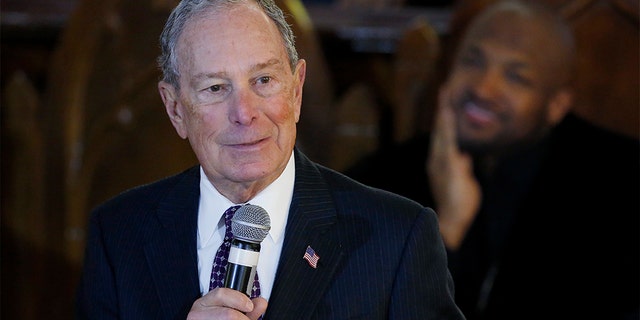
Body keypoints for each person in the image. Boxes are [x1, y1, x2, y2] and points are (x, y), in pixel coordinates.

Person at [74, 0, 465, 319]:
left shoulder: (396, 237)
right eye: (215, 87)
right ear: (175, 108)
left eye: (263, 81)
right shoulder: (119, 234)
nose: (244, 112)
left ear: (296, 91)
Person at [346, 1, 639, 319]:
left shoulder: (622, 184)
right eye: (473, 61)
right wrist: (447, 230)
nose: (484, 89)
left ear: (556, 105)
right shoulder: (380, 177)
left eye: (516, 77)